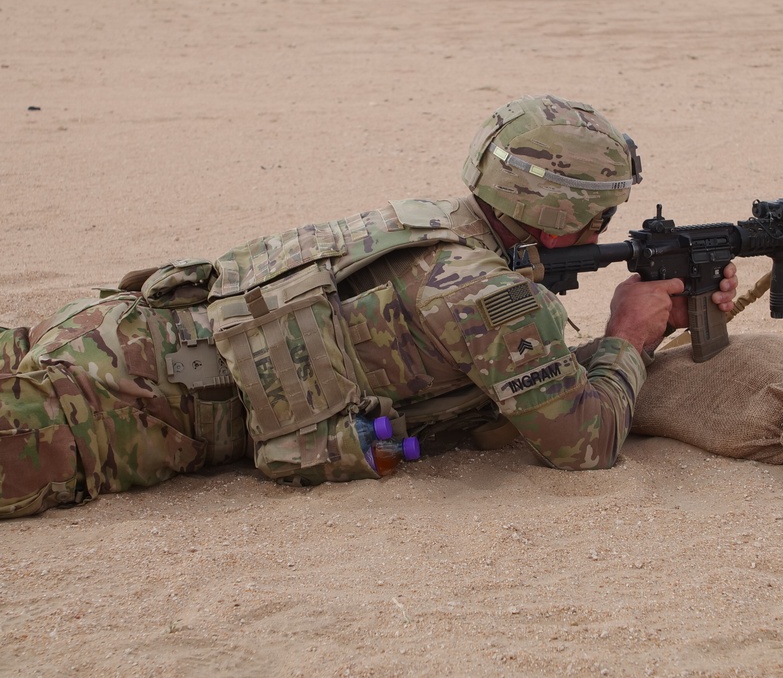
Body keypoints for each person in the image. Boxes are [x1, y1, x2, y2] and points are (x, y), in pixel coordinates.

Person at [0, 94, 737, 518]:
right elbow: (583, 443)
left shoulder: (430, 225)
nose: (606, 227)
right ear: (555, 212)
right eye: (603, 212)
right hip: (111, 413)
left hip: (107, 330)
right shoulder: (490, 296)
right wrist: (628, 336)